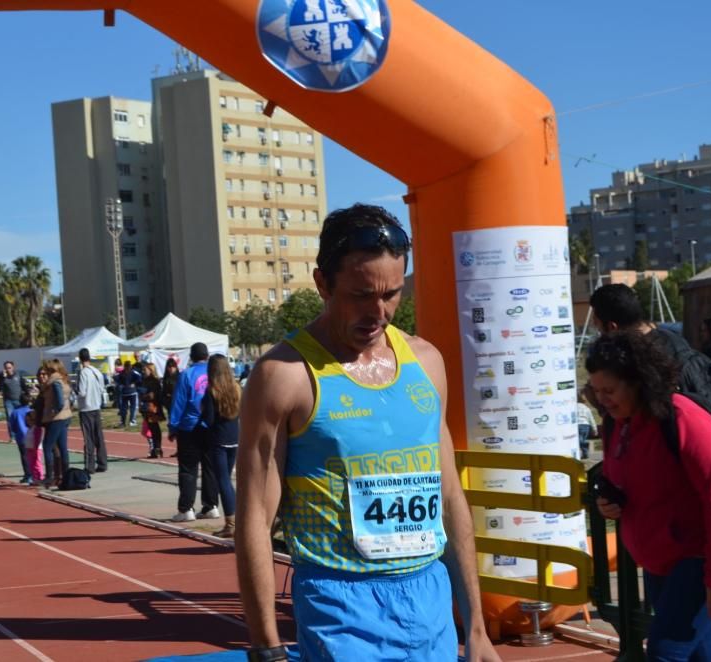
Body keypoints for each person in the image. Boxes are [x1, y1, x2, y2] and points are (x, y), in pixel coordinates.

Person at [235, 204, 497, 661]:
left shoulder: (427, 362)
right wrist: (266, 647)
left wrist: (476, 628)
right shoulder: (284, 375)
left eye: (392, 294)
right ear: (322, 283)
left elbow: (450, 494)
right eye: (360, 295)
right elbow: (255, 518)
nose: (379, 312)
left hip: (428, 598)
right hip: (341, 602)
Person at [588, 330, 711, 660]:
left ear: (638, 381)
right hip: (661, 562)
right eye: (596, 391)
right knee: (697, 654)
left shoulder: (685, 419)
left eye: (609, 390)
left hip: (699, 558)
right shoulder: (617, 424)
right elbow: (619, 480)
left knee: (664, 652)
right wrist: (609, 502)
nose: (602, 399)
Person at [590, 283, 711, 413]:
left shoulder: (641, 358)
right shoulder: (671, 339)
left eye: (598, 326)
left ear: (612, 327)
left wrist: (598, 402)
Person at [169, 342, 220, 521]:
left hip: (189, 426)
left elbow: (179, 402)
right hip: (212, 426)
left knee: (188, 469)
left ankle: (186, 509)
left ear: (191, 356)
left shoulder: (186, 374)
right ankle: (211, 505)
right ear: (207, 356)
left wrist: (173, 426)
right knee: (210, 467)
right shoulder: (215, 372)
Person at [201, 354, 240, 538]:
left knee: (223, 481)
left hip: (218, 440)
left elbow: (208, 420)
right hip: (235, 438)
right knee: (227, 481)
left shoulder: (211, 391)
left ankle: (231, 523)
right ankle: (235, 520)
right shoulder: (236, 388)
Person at [41, 358, 73, 488]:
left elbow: (59, 401)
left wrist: (54, 411)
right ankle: (65, 476)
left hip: (56, 418)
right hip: (65, 416)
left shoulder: (55, 382)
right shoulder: (63, 380)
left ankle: (49, 477)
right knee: (63, 448)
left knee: (47, 446)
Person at [76, 348, 108, 474]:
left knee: (88, 438)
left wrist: (76, 392)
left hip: (86, 408)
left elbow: (82, 392)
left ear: (80, 358)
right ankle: (102, 463)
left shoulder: (83, 372)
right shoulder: (97, 371)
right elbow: (101, 389)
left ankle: (89, 466)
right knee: (99, 437)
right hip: (96, 406)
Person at [9, 392, 34, 484]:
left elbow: (12, 425)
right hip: (33, 436)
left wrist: (15, 432)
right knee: (34, 456)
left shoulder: (15, 412)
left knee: (24, 456)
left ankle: (28, 475)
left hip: (21, 437)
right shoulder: (31, 410)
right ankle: (34, 474)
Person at [0, 360, 25, 443]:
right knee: (10, 418)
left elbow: (24, 386)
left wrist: (27, 395)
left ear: (13, 367)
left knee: (20, 418)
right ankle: (12, 437)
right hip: (8, 401)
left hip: (19, 400)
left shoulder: (18, 375)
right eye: (6, 368)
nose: (8, 369)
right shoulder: (2, 377)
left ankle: (22, 434)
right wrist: (3, 377)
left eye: (9, 368)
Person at [116, 360, 142, 427]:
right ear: (130, 366)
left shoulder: (121, 373)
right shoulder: (132, 372)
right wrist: (134, 383)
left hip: (125, 392)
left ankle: (123, 422)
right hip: (132, 392)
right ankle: (132, 421)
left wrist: (121, 385)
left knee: (124, 408)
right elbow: (139, 378)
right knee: (133, 407)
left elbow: (117, 380)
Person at [23, 409, 45, 486]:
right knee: (32, 464)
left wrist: (35, 448)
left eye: (29, 420)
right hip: (29, 448)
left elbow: (37, 439)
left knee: (37, 464)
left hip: (36, 449)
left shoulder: (37, 428)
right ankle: (35, 478)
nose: (28, 422)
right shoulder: (30, 428)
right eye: (26, 420)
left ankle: (40, 478)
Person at [576, 391, 598, 460]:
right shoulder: (586, 408)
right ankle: (585, 454)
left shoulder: (573, 406)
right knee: (582, 438)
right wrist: (595, 429)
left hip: (577, 425)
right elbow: (591, 419)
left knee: (580, 440)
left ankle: (585, 445)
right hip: (586, 426)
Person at [142, 391, 163, 458]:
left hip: (151, 407)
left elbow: (151, 395)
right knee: (153, 427)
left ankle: (156, 449)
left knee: (154, 428)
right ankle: (156, 449)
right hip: (149, 407)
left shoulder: (151, 383)